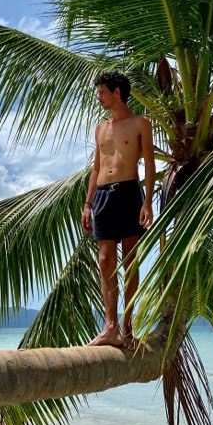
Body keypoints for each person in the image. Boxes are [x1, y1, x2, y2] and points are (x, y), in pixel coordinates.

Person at [81, 71, 155, 349]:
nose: (98, 97)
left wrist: (147, 201)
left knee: (130, 260)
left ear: (117, 93)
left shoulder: (140, 123)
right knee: (104, 261)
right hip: (102, 195)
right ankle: (109, 326)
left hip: (128, 192)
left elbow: (148, 164)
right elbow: (96, 168)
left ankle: (127, 327)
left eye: (102, 92)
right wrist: (88, 204)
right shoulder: (100, 129)